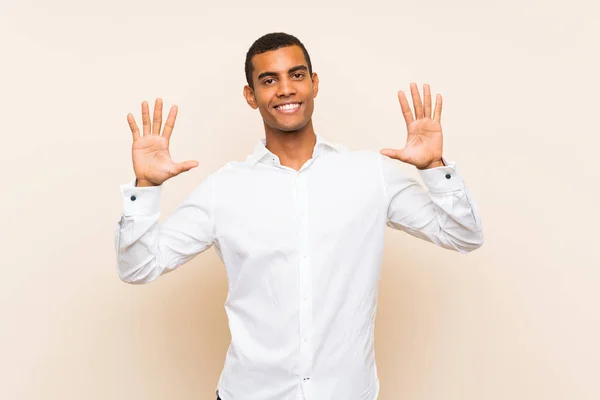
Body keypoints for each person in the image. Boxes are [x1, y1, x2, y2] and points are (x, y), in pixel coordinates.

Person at [115, 32, 483, 400]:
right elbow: (139, 267)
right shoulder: (224, 189)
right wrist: (145, 187)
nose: (286, 89)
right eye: (269, 80)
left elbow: (464, 235)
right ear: (251, 96)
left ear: (314, 83)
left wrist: (435, 166)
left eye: (296, 75)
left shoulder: (370, 174)